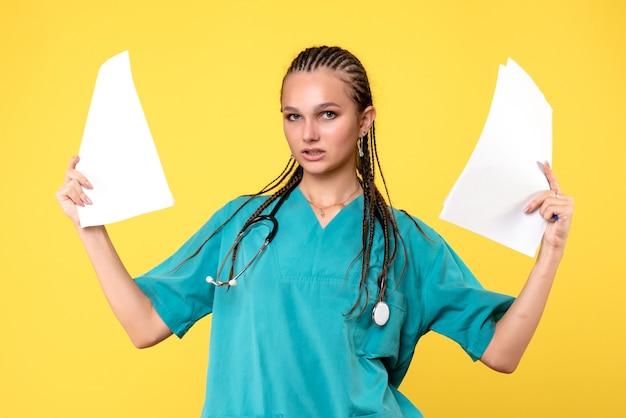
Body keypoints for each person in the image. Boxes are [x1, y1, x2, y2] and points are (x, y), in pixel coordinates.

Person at [56, 46, 574, 418]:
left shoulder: (402, 242)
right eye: (293, 116)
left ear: (364, 120)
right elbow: (145, 324)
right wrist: (91, 228)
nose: (307, 134)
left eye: (328, 114)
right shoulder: (243, 227)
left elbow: (502, 352)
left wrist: (550, 250)